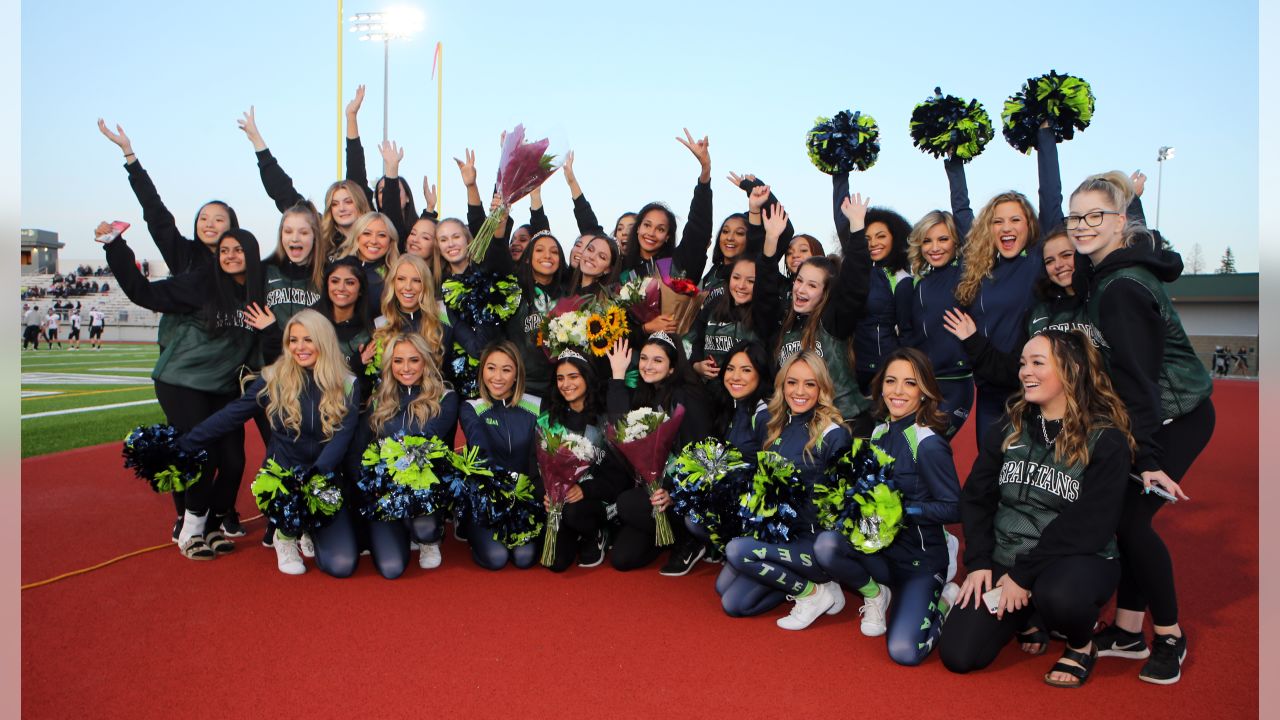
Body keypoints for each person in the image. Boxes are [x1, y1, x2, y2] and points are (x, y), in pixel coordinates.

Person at [1068, 171, 1215, 685]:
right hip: (1153, 415)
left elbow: (1139, 381)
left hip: (1175, 415)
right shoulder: (1109, 270)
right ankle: (1128, 632)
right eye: (1075, 217)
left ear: (1120, 223)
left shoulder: (1122, 288)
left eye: (1096, 217)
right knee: (1127, 522)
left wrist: (1148, 458)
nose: (1083, 227)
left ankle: (1169, 635)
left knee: (1132, 522)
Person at [939, 330, 1134, 688]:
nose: (1024, 372)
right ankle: (1027, 615)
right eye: (1022, 363)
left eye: (1037, 363)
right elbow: (977, 497)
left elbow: (1090, 524)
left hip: (1072, 560)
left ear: (1071, 370)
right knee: (959, 655)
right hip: (1009, 556)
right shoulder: (1009, 427)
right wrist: (981, 562)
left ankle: (1080, 644)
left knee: (1059, 595)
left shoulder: (1106, 439)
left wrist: (1023, 576)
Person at [102, 225, 263, 554]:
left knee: (233, 462)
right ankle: (190, 530)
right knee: (203, 456)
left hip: (223, 387)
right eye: (224, 250)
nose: (231, 256)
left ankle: (214, 525)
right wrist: (115, 247)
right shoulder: (201, 282)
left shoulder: (259, 292)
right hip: (182, 381)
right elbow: (144, 294)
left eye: (238, 250)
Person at [179, 310, 362, 576]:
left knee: (342, 565)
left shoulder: (348, 383)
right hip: (283, 478)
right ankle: (284, 536)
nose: (299, 347)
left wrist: (317, 477)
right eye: (293, 340)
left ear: (323, 341)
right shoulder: (273, 377)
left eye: (308, 340)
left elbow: (342, 437)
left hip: (323, 478)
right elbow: (233, 414)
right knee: (317, 545)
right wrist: (187, 442)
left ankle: (308, 527)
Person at [813, 347, 961, 666]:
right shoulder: (878, 432)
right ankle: (876, 594)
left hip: (920, 562)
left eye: (910, 383)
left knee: (904, 652)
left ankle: (946, 598)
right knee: (827, 545)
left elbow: (954, 508)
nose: (897, 391)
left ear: (924, 391)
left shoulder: (929, 442)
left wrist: (904, 510)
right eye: (891, 381)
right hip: (881, 555)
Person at [948, 124, 1064, 447]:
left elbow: (1051, 200)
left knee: (1031, 471)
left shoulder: (1038, 261)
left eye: (1015, 219)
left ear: (1029, 224)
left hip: (1033, 390)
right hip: (989, 393)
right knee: (991, 471)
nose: (1006, 227)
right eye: (998, 221)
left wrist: (1044, 137)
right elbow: (961, 212)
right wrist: (954, 160)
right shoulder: (980, 267)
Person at [719, 351, 853, 625]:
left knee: (736, 552)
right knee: (730, 597)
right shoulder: (774, 424)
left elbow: (845, 503)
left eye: (809, 384)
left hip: (813, 541)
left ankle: (814, 590)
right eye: (792, 382)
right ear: (782, 385)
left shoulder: (833, 434)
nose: (799, 391)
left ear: (822, 388)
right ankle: (808, 585)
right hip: (780, 535)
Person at [605, 333, 714, 575]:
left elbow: (702, 454)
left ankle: (691, 539)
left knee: (626, 503)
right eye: (643, 358)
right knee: (623, 558)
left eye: (657, 360)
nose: (648, 365)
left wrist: (674, 493)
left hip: (684, 495)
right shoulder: (646, 394)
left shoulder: (688, 397)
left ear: (673, 366)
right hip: (654, 492)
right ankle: (671, 538)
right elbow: (619, 428)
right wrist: (618, 375)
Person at [772, 191, 873, 434]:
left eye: (812, 285)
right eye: (799, 281)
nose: (801, 289)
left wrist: (857, 228)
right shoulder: (788, 325)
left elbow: (855, 285)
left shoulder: (833, 322)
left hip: (846, 424)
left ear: (826, 293)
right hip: (807, 428)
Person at [362, 332, 460, 577]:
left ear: (425, 362)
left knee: (425, 531)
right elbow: (365, 448)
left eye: (414, 360)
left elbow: (426, 438)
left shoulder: (445, 397)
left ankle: (428, 538)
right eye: (398, 361)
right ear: (389, 364)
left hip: (424, 488)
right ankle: (400, 528)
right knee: (391, 568)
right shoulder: (378, 398)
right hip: (387, 489)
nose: (406, 368)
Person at [98, 119, 240, 274]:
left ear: (231, 225)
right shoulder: (184, 255)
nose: (209, 224)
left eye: (218, 220)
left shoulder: (245, 263)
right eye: (203, 219)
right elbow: (155, 211)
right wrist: (128, 152)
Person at [457, 341, 543, 570]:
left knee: (524, 559)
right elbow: (479, 446)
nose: (498, 377)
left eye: (506, 370)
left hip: (525, 499)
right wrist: (499, 490)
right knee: (496, 559)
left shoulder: (536, 406)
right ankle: (468, 526)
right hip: (488, 499)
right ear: (482, 370)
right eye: (491, 368)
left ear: (516, 375)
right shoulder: (471, 407)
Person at [538, 350, 627, 572]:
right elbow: (537, 465)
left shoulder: (607, 418)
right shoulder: (551, 419)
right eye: (560, 378)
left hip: (599, 499)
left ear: (587, 377)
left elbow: (622, 476)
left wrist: (585, 489)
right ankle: (575, 533)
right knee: (555, 563)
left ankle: (596, 533)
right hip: (563, 501)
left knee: (574, 512)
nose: (566, 384)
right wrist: (547, 493)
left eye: (573, 376)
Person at [832, 172, 914, 393]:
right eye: (867, 239)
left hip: (884, 371)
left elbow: (907, 333)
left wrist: (903, 373)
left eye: (881, 236)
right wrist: (839, 174)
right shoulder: (856, 271)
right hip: (850, 369)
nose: (873, 244)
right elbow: (843, 220)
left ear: (895, 239)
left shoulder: (901, 279)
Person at [903, 210, 972, 435]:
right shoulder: (919, 284)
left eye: (943, 239)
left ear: (956, 240)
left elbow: (966, 221)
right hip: (926, 384)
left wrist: (955, 172)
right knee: (915, 449)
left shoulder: (965, 273)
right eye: (927, 241)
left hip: (957, 382)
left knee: (933, 444)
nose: (935, 247)